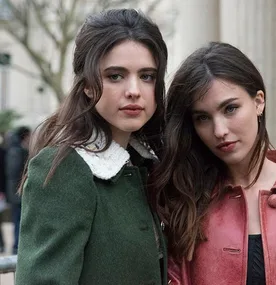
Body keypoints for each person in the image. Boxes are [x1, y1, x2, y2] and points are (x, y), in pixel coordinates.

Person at [151, 42, 276, 284]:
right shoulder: (185, 201)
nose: (219, 131)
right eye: (202, 118)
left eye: (230, 108)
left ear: (258, 102)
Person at [15, 8, 168, 285]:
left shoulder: (147, 164)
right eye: (115, 76)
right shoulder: (64, 168)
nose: (134, 90)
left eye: (147, 76)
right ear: (87, 85)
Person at [5, 126, 31, 254]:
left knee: (18, 219)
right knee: (19, 220)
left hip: (14, 191)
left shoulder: (12, 149)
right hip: (18, 191)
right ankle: (17, 246)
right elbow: (15, 172)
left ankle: (17, 246)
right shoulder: (18, 151)